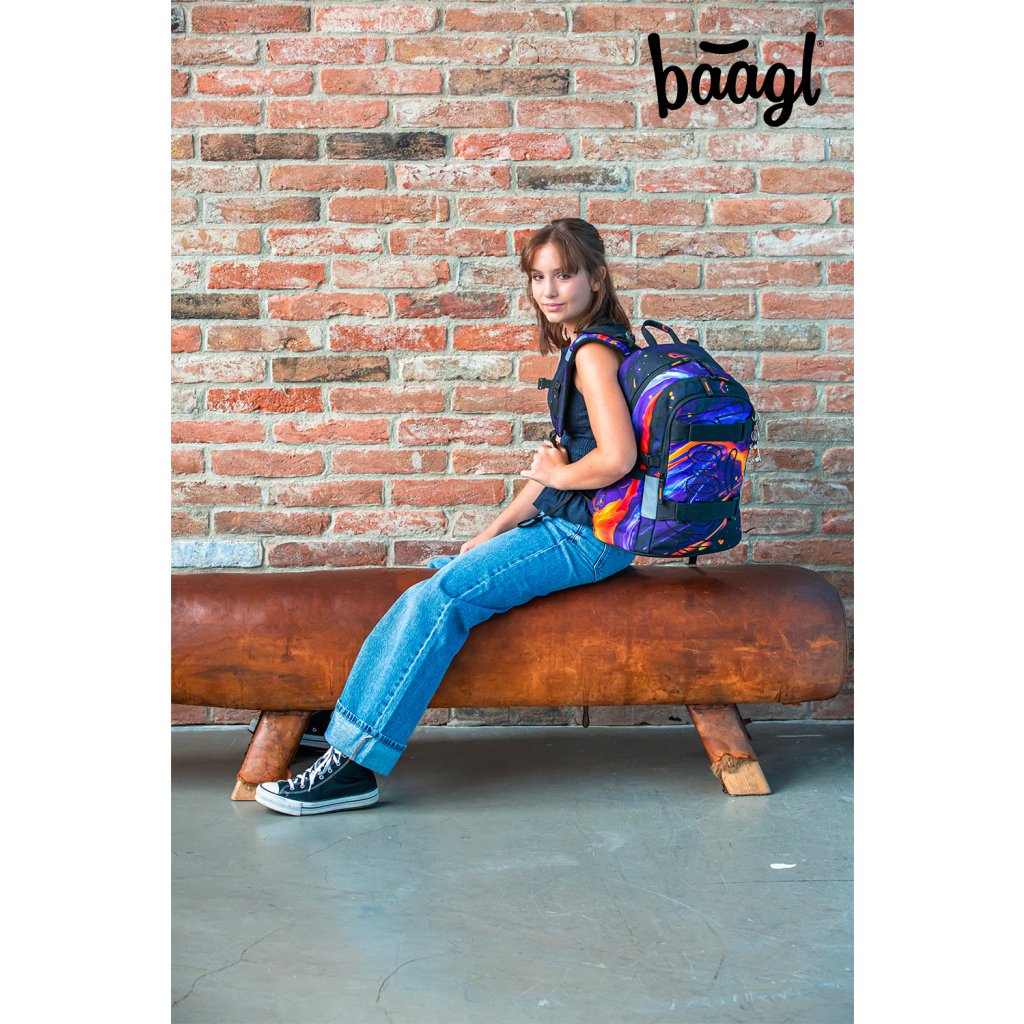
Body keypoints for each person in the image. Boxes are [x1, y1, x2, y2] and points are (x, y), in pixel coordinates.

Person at [255, 217, 639, 815]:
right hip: (574, 525)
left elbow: (616, 459)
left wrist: (559, 475)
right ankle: (339, 719)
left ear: (597, 277)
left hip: (590, 536)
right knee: (440, 574)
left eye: (564, 275)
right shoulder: (590, 345)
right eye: (537, 277)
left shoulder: (593, 352)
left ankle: (352, 765)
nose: (549, 290)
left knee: (439, 599)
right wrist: (489, 533)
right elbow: (556, 472)